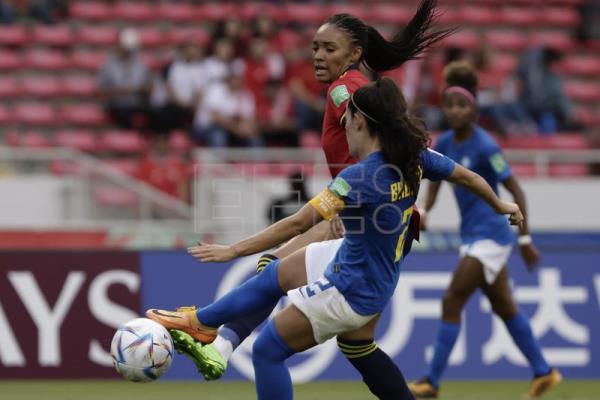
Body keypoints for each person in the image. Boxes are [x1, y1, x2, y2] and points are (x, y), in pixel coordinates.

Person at [147, 78, 524, 400]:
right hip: (369, 267)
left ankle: (202, 322)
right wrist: (500, 203)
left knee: (267, 351)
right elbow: (469, 177)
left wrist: (232, 250)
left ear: (361, 121)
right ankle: (205, 322)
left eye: (346, 117)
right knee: (281, 279)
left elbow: (297, 224)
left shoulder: (358, 178)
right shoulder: (416, 157)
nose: (342, 124)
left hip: (351, 287)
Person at [163, 3, 455, 399]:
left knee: (273, 271)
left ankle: (219, 340)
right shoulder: (354, 89)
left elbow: (373, 142)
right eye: (315, 47)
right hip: (379, 221)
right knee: (357, 346)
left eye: (328, 48)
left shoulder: (345, 91)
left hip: (368, 219)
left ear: (354, 54)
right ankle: (219, 340)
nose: (317, 55)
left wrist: (349, 205)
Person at [408, 61, 562, 399]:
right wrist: (428, 211)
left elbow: (516, 191)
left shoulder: (487, 147)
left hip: (491, 237)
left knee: (452, 299)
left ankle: (431, 382)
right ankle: (544, 371)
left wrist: (525, 238)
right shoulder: (445, 142)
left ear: (474, 109)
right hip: (473, 236)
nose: (454, 110)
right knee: (504, 307)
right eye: (449, 104)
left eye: (461, 104)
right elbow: (436, 179)